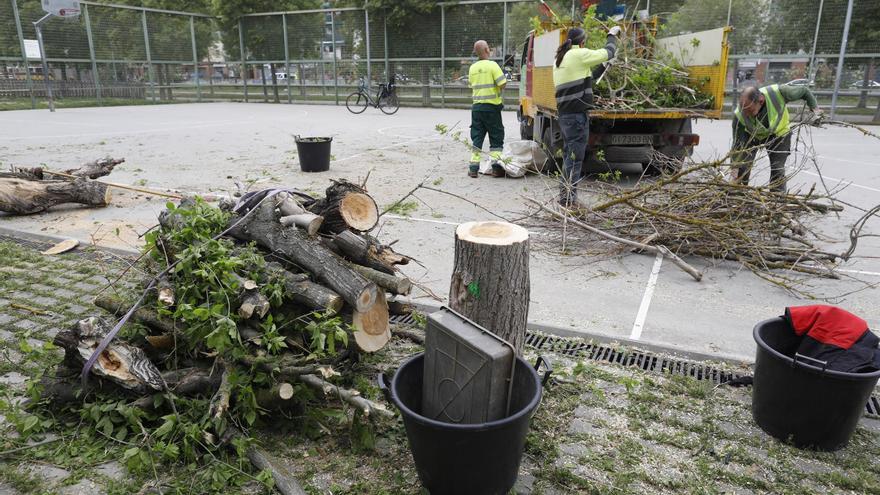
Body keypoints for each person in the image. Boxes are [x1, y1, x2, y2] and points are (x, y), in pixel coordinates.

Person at [553, 26, 620, 206]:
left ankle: (565, 197)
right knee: (575, 159)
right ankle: (568, 200)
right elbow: (609, 51)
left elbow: (587, 77)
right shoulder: (579, 54)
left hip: (566, 115)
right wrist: (611, 35)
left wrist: (604, 67)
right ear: (582, 42)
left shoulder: (562, 58)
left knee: (570, 157)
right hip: (576, 117)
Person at [732, 84, 820, 193]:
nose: (746, 113)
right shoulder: (739, 114)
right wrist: (735, 167)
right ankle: (739, 194)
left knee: (777, 168)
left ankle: (777, 198)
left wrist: (815, 109)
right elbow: (738, 143)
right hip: (752, 136)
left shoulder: (779, 92)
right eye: (743, 109)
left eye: (750, 110)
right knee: (742, 167)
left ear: (760, 101)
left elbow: (804, 91)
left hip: (779, 134)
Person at [468, 40, 507, 178]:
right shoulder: (493, 65)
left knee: (477, 137)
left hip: (477, 108)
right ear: (486, 49)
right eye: (488, 48)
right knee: (496, 138)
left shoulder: (472, 68)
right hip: (492, 108)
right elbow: (502, 84)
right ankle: (496, 168)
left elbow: (472, 85)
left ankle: (473, 168)